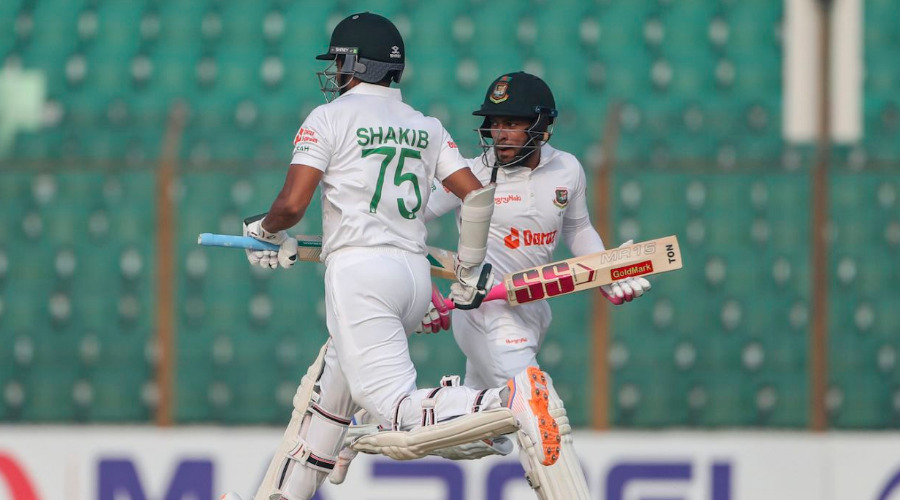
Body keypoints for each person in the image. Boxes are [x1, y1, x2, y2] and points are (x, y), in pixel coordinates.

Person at [222, 16, 566, 500]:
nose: (336, 71)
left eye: (340, 61)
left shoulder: (330, 118)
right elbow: (476, 198)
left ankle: (506, 401)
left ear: (356, 64)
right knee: (329, 400)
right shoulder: (425, 126)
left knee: (394, 408)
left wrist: (262, 230)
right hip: (412, 275)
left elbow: (292, 206)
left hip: (361, 274)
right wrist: (467, 272)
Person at [331, 72, 653, 499]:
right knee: (540, 414)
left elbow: (579, 229)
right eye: (494, 123)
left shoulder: (567, 169)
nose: (500, 133)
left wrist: (605, 273)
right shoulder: (470, 176)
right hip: (485, 312)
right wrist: (426, 287)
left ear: (541, 126)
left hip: (533, 311)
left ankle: (364, 428)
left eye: (512, 123)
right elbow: (405, 224)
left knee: (486, 436)